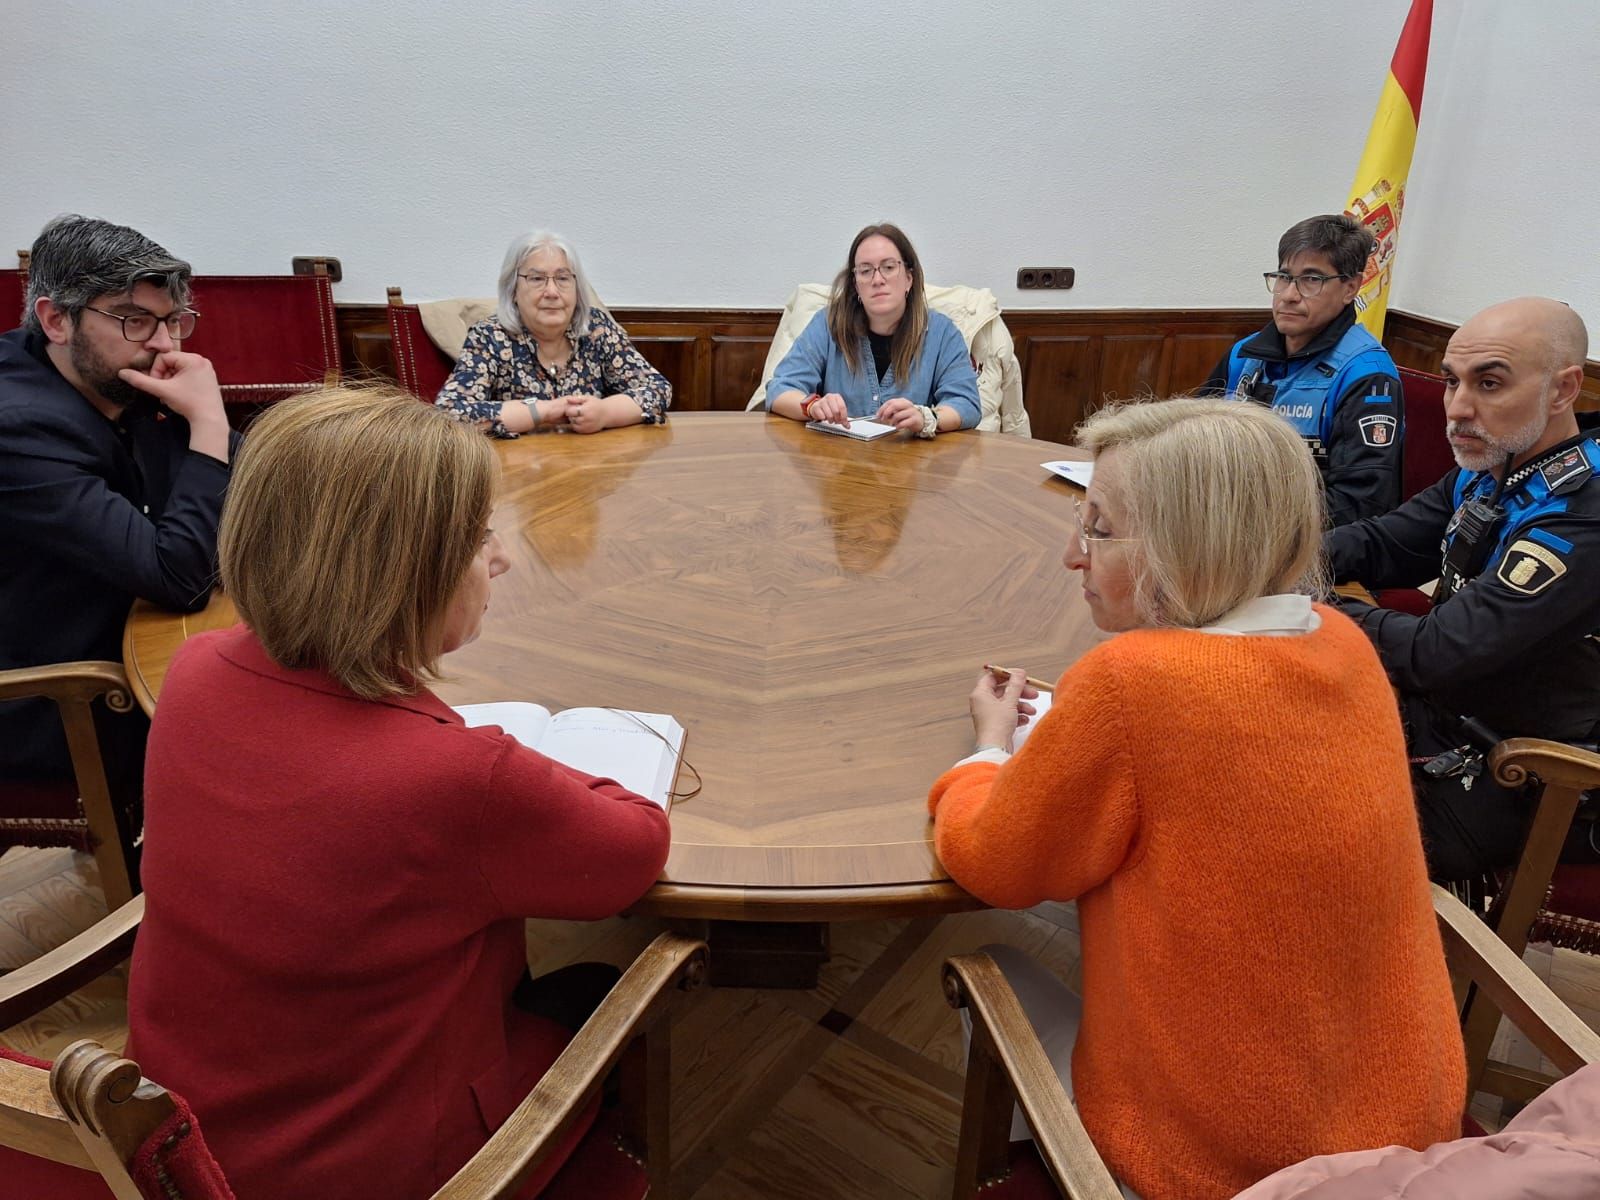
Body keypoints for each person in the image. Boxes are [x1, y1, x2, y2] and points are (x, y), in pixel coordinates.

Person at [127, 386, 672, 1199]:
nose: (501, 559)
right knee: (604, 984)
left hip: (186, 1131)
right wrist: (510, 766)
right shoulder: (457, 777)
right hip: (383, 1169)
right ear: (404, 571)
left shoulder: (197, 673)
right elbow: (635, 849)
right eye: (479, 538)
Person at [928, 398, 1464, 1200]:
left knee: (993, 953)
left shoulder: (1131, 682)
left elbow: (994, 865)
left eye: (1098, 529)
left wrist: (986, 755)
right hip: (1408, 1134)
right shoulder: (1345, 642)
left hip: (1230, 1169)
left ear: (1186, 544)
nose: (1073, 556)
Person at [1326, 297, 1600, 881]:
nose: (1458, 408)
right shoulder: (1497, 465)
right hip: (1452, 718)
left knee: (1290, 810)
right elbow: (1385, 544)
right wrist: (1252, 559)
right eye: (1452, 382)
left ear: (1562, 389)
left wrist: (1310, 609)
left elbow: (1440, 652)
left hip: (1534, 771)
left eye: (1490, 383)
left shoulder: (1585, 511)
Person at [0, 214, 235, 849]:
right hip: (54, 699)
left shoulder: (116, 379)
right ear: (55, 320)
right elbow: (176, 577)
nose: (164, 343)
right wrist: (208, 426)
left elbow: (253, 482)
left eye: (174, 320)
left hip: (125, 637)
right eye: (135, 319)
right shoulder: (18, 425)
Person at [1201, 214, 1403, 525]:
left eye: (1311, 279)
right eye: (1283, 276)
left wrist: (1247, 519)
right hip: (1222, 523)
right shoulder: (1244, 355)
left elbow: (1359, 504)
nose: (1289, 295)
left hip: (1307, 546)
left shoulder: (1366, 375)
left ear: (1350, 288)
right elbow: (1193, 442)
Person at [436, 230, 670, 435]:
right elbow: (449, 413)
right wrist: (544, 411)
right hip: (517, 472)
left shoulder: (596, 329)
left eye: (562, 278)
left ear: (577, 289)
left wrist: (605, 413)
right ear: (513, 290)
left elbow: (658, 389)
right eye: (537, 278)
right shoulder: (488, 336)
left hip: (590, 468)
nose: (552, 291)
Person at [765, 222, 981, 435]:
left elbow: (966, 404)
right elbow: (780, 389)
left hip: (913, 463)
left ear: (908, 278)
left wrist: (926, 418)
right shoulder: (828, 323)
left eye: (888, 267)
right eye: (866, 271)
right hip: (837, 463)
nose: (877, 280)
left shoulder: (942, 333)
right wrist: (813, 406)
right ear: (856, 284)